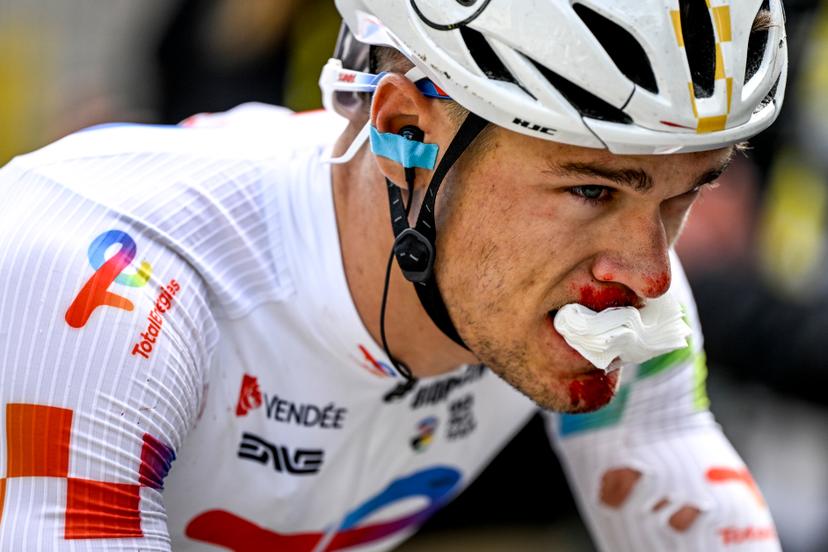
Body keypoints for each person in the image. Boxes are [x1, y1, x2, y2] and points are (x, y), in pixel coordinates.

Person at [0, 0, 787, 550]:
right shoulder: (114, 284)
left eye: (686, 193)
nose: (650, 276)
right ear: (406, 129)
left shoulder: (607, 282)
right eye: (590, 189)